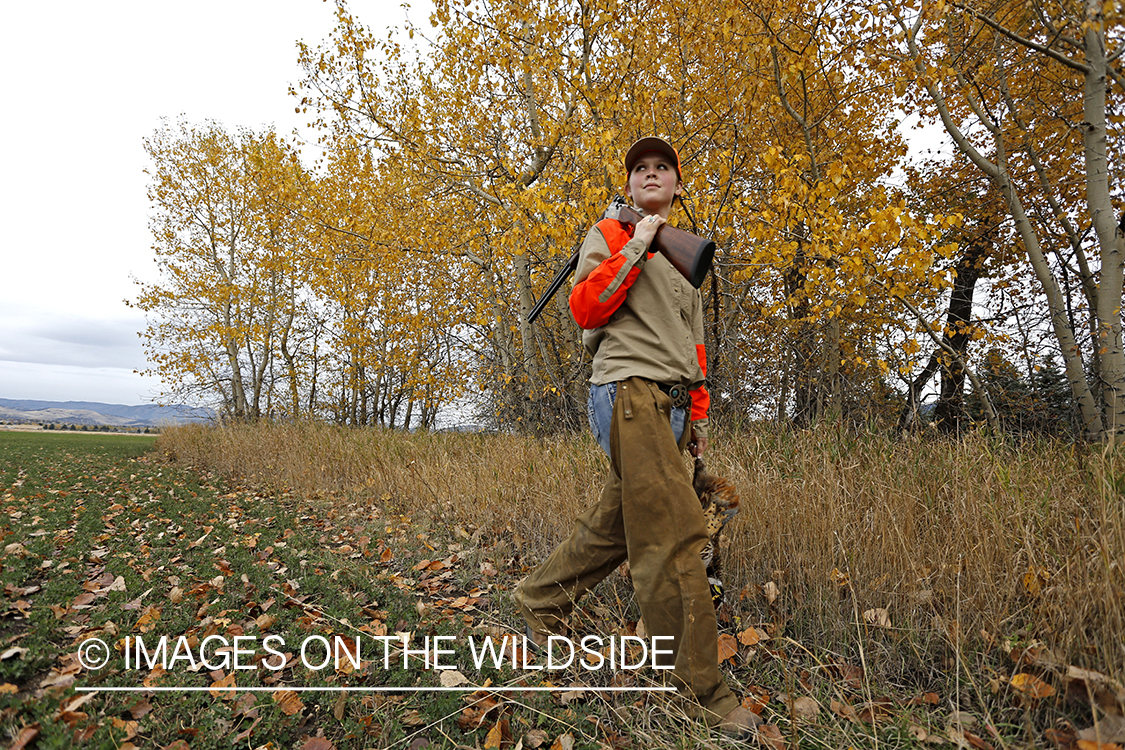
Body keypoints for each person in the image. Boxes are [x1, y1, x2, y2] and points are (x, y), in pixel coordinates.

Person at [513, 137, 759, 739]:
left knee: (620, 524)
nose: (651, 174)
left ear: (677, 183)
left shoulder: (685, 261)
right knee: (675, 537)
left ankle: (539, 600)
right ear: (628, 187)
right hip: (628, 392)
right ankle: (704, 694)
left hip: (670, 406)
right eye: (640, 169)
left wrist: (697, 420)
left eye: (663, 167)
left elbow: (693, 346)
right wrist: (636, 246)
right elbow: (585, 309)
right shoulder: (611, 235)